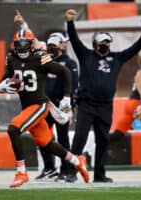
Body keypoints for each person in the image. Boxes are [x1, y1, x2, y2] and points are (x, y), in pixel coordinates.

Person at [64, 9, 141, 183]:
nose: (106, 44)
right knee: (79, 140)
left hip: (105, 106)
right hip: (86, 105)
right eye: (103, 42)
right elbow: (74, 40)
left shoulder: (117, 58)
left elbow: (134, 49)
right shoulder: (86, 55)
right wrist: (69, 22)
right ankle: (70, 172)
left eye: (108, 42)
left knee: (103, 140)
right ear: (96, 44)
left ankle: (100, 174)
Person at [0, 28, 89, 188]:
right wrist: (2, 85)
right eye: (19, 44)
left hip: (39, 105)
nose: (22, 47)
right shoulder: (11, 58)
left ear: (32, 44)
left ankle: (21, 172)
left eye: (26, 44)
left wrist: (67, 96)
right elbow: (6, 77)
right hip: (27, 107)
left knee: (13, 128)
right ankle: (77, 160)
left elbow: (65, 71)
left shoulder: (40, 57)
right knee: (48, 144)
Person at [35, 33, 79, 182]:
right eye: (50, 46)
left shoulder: (70, 63)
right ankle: (49, 168)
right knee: (42, 139)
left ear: (61, 45)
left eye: (55, 45)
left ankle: (66, 170)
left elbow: (74, 85)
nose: (52, 48)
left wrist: (70, 104)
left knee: (63, 140)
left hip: (61, 107)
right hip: (46, 106)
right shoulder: (45, 61)